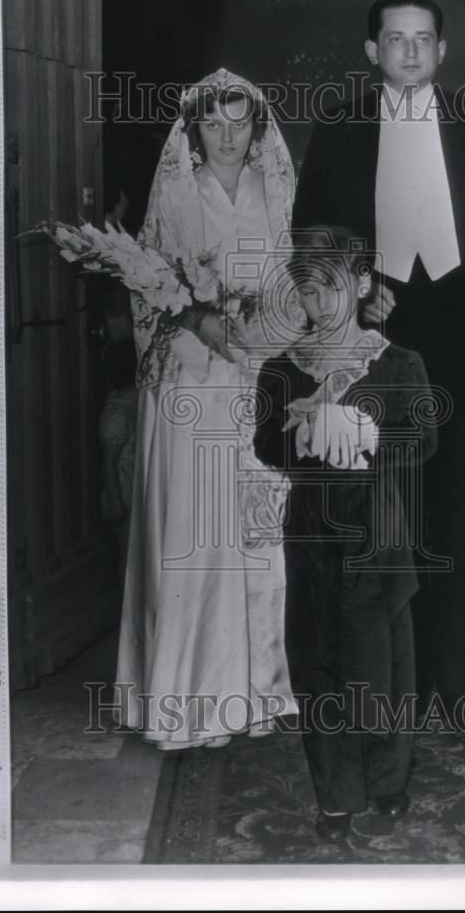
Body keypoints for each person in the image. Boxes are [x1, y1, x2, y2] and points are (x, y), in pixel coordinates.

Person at [293, 0, 465, 718]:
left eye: (422, 39)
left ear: (441, 51)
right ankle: (389, 683)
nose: (408, 52)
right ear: (372, 52)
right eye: (394, 40)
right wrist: (352, 300)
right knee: (388, 508)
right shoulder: (340, 128)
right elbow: (310, 236)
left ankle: (460, 685)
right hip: (382, 329)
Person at [114, 68, 299, 749]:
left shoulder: (276, 192)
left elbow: (298, 283)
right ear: (193, 130)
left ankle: (262, 690)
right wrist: (195, 316)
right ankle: (192, 700)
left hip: (256, 383)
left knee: (258, 535)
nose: (226, 136)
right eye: (213, 123)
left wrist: (263, 330)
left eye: (239, 122)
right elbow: (143, 287)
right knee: (196, 537)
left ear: (257, 128)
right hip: (189, 387)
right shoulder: (174, 192)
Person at [254, 228, 436, 842]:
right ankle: (335, 792)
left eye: (333, 287)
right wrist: (299, 434)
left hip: (378, 533)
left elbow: (425, 438)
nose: (321, 304)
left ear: (361, 284)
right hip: (311, 536)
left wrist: (369, 433)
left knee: (381, 662)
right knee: (316, 661)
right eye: (308, 291)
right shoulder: (283, 369)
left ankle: (386, 779)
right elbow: (265, 442)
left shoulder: (397, 361)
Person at [98, 338, 139, 581]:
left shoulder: (138, 402)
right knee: (127, 550)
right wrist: (114, 500)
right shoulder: (117, 411)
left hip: (137, 484)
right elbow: (109, 462)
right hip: (124, 490)